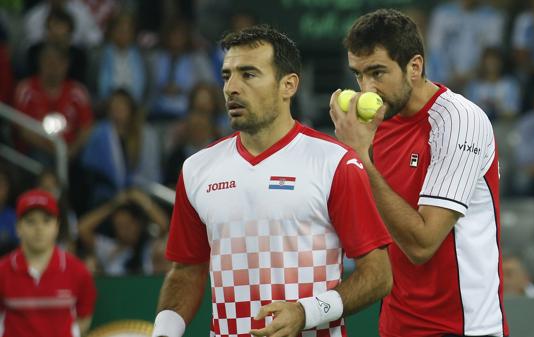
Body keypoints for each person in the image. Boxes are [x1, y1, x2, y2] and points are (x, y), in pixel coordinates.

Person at [152, 25, 393, 337]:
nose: (231, 88)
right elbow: (186, 270)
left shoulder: (335, 162)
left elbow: (378, 275)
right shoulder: (197, 169)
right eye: (227, 76)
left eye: (248, 74)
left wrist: (305, 313)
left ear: (288, 85)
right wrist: (163, 333)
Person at [330, 9, 509, 337]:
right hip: (395, 327)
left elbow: (422, 244)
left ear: (414, 67)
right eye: (358, 75)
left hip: (463, 329)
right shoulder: (373, 127)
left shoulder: (459, 121)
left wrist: (359, 157)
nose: (367, 88)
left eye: (378, 72)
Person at [0, 189, 97, 337]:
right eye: (30, 221)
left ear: (56, 226)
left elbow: (85, 314)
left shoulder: (78, 271)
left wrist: (71, 333)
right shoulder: (2, 271)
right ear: (18, 227)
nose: (39, 228)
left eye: (46, 220)